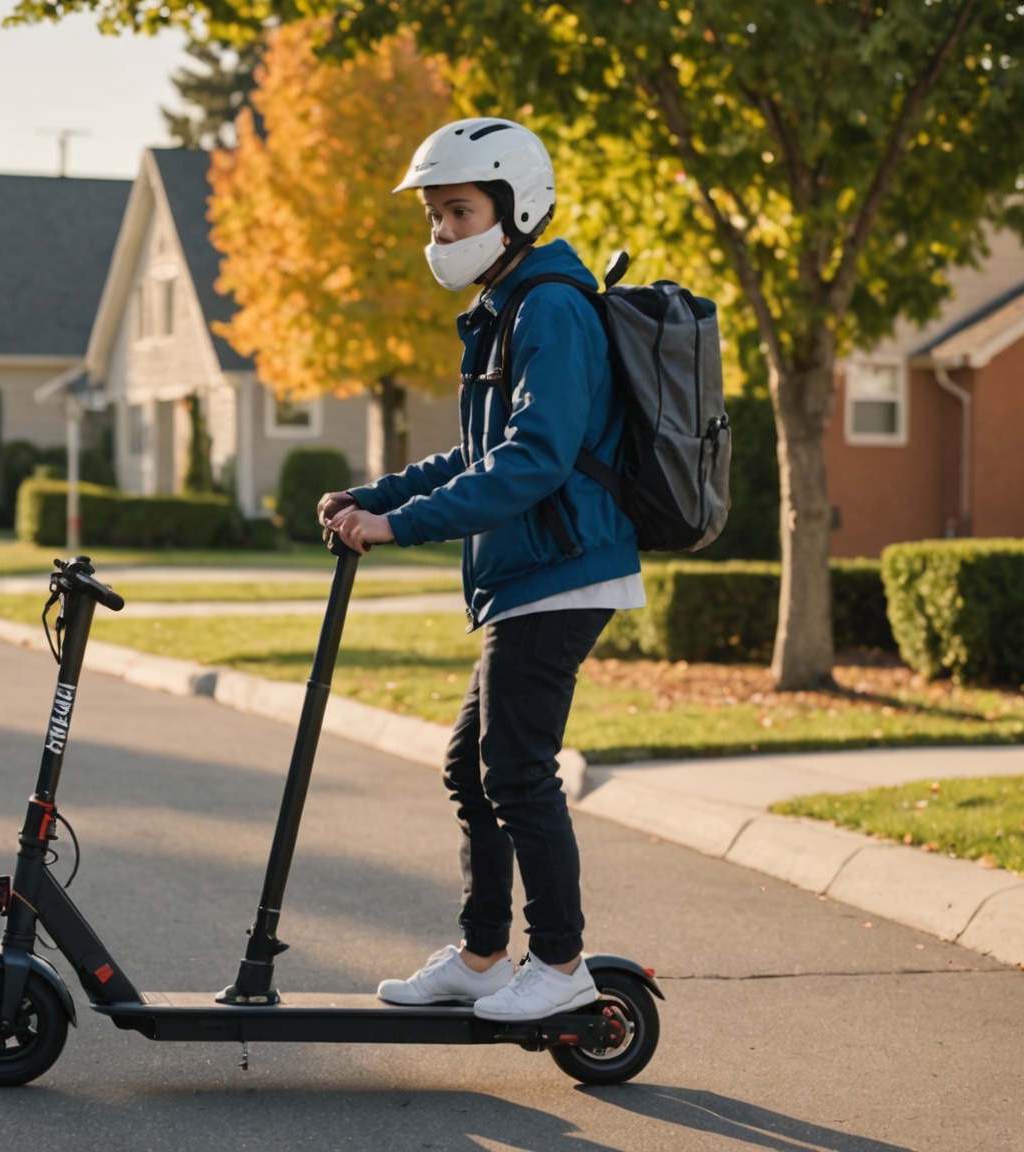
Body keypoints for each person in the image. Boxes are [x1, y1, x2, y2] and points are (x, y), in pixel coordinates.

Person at [320, 117, 641, 1023]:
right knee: (474, 767)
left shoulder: (553, 310)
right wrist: (371, 496)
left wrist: (399, 528)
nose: (442, 234)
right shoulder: (506, 310)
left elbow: (533, 460)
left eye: (457, 212)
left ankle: (562, 963)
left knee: (517, 768)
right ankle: (484, 954)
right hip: (530, 571)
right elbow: (475, 452)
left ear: (518, 207)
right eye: (434, 217)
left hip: (565, 566)